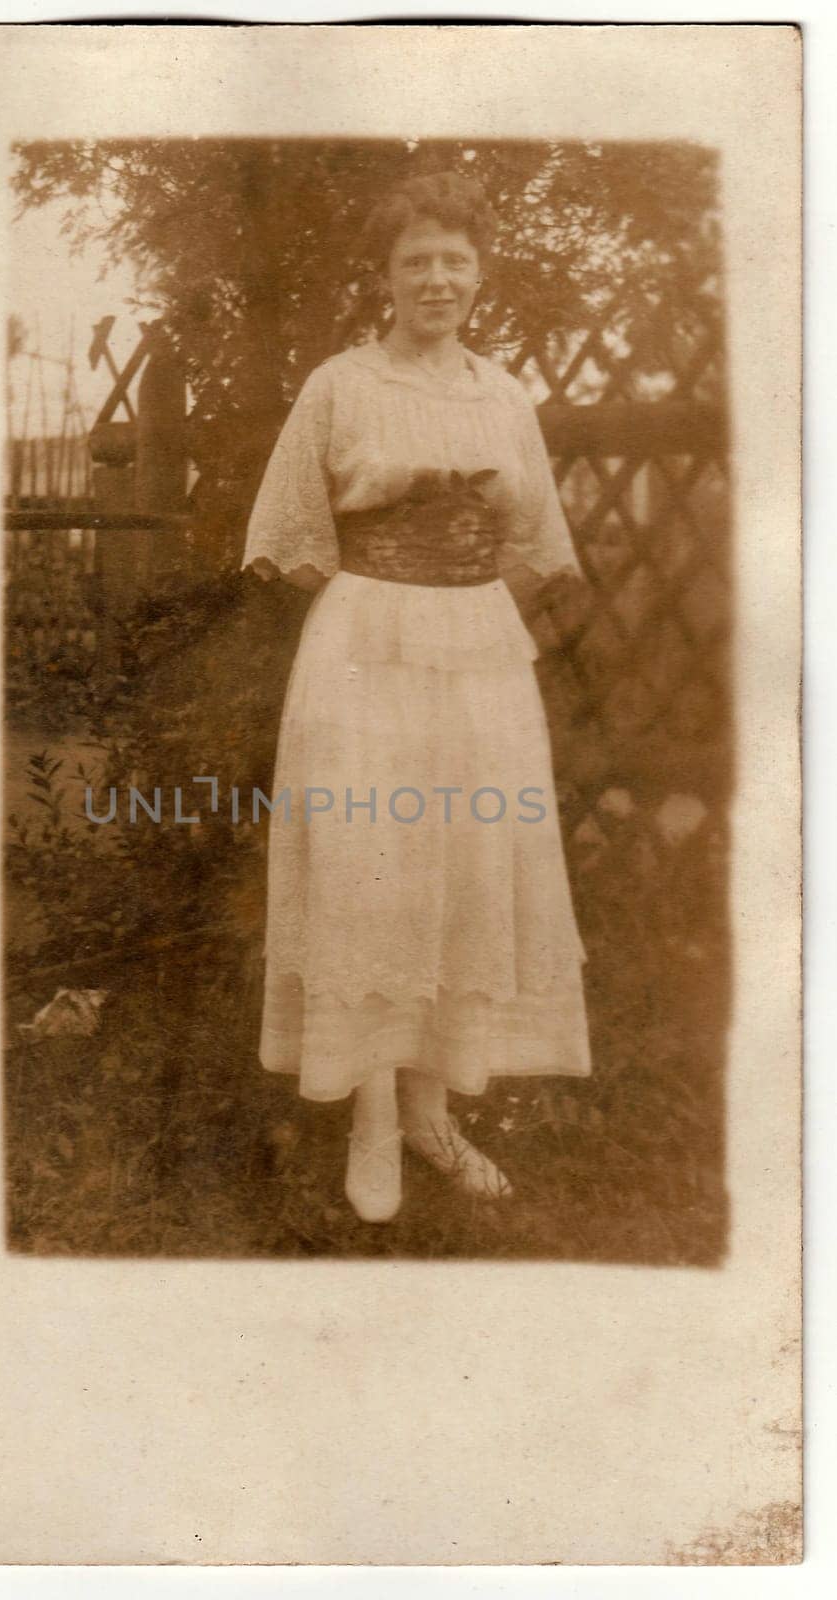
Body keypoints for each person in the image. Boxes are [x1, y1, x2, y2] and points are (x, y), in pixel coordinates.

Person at [242, 171, 591, 1224]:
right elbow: (284, 536)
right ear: (386, 276)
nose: (436, 278)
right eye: (416, 261)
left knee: (468, 859)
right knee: (372, 863)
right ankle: (374, 1116)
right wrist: (374, 605)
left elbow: (541, 548)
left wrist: (469, 608)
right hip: (363, 645)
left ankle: (436, 1114)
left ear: (480, 276)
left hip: (478, 648)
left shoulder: (503, 397)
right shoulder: (339, 386)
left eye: (455, 260)